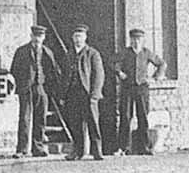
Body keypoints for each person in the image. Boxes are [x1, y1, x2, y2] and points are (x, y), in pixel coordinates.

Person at [9, 25, 59, 158]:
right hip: (26, 88)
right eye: (35, 36)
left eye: (40, 36)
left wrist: (48, 87)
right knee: (25, 118)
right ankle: (22, 149)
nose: (37, 39)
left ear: (43, 38)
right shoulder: (22, 51)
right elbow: (14, 69)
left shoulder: (48, 52)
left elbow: (53, 71)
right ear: (31, 36)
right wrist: (22, 83)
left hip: (41, 88)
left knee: (40, 119)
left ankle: (38, 147)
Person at [115, 28, 165, 155]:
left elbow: (161, 64)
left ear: (142, 41)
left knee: (143, 117)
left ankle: (145, 147)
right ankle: (123, 147)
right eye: (133, 40)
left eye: (138, 40)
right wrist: (119, 72)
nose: (136, 42)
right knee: (125, 116)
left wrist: (157, 77)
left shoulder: (146, 53)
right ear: (130, 40)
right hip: (127, 87)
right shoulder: (125, 53)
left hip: (142, 88)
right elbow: (113, 63)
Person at [63, 24, 105, 160]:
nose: (78, 39)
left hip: (88, 94)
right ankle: (78, 152)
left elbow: (99, 75)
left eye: (80, 36)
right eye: (75, 36)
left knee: (93, 122)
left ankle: (97, 151)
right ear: (72, 38)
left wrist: (95, 94)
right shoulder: (68, 54)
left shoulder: (92, 53)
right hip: (72, 93)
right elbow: (63, 75)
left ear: (85, 37)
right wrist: (63, 95)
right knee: (75, 124)